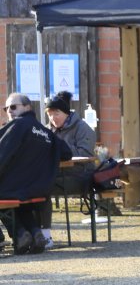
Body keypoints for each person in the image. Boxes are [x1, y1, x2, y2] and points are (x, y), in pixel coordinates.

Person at [0, 93, 72, 255]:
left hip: (17, 188)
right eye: (6, 108)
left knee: (6, 197)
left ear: (27, 107)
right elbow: (67, 153)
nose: (9, 111)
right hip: (38, 189)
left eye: (13, 107)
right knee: (19, 203)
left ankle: (19, 233)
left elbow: (2, 155)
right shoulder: (45, 131)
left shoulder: (16, 126)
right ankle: (35, 232)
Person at [42, 91, 98, 247]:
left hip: (80, 177)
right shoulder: (47, 130)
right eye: (49, 114)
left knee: (41, 188)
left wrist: (60, 150)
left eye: (56, 113)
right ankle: (32, 233)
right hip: (56, 175)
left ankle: (44, 236)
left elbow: (85, 154)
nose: (53, 118)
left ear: (66, 113)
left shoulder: (83, 128)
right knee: (30, 187)